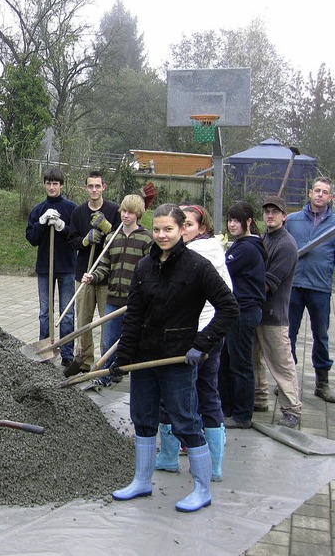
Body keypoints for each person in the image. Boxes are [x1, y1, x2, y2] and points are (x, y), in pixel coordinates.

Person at [106, 204, 238, 512]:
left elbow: (229, 307)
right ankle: (141, 481)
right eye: (157, 229)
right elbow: (134, 317)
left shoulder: (197, 266)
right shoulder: (144, 267)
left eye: (168, 229)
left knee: (185, 421)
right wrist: (122, 359)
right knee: (142, 417)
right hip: (144, 359)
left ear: (182, 230)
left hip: (178, 359)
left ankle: (203, 489)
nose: (162, 235)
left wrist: (202, 343)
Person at [155, 205, 232, 482]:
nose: (183, 229)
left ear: (201, 228)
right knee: (208, 393)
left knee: (173, 395)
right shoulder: (214, 250)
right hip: (212, 334)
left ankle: (169, 457)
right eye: (181, 223)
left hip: (194, 335)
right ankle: (214, 466)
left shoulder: (196, 256)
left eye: (188, 224)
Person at [81, 194, 152, 385]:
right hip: (113, 298)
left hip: (135, 302)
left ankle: (129, 373)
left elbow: (152, 271)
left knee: (133, 340)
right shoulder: (112, 238)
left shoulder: (147, 239)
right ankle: (105, 376)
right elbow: (105, 266)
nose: (125, 215)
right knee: (109, 341)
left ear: (138, 214)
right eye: (123, 211)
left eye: (130, 212)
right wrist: (93, 276)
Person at [253, 195, 302, 427]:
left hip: (274, 315)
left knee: (281, 364)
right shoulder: (265, 238)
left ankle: (292, 410)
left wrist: (244, 291)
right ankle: (259, 398)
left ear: (284, 216)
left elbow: (268, 283)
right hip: (257, 311)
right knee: (254, 360)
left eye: (275, 212)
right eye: (267, 211)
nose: (270, 215)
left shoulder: (286, 244)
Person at [286, 177, 335, 403]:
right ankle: (288, 381)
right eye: (317, 190)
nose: (320, 195)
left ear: (330, 197)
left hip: (320, 287)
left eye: (325, 192)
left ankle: (322, 383)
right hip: (293, 285)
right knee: (289, 334)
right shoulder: (293, 220)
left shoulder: (334, 225)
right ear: (309, 193)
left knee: (321, 336)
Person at [219, 202, 267, 429]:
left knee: (240, 364)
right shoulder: (243, 245)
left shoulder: (246, 248)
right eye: (230, 220)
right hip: (238, 311)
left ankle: (242, 415)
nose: (232, 224)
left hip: (244, 311)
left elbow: (221, 270)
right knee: (228, 361)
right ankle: (226, 408)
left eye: (237, 220)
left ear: (248, 221)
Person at [67, 171, 121, 372]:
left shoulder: (114, 211)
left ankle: (106, 361)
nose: (94, 190)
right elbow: (71, 241)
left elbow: (119, 239)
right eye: (90, 186)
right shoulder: (78, 212)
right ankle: (85, 359)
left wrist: (106, 227)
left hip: (107, 274)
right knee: (83, 320)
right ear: (85, 188)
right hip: (84, 273)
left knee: (107, 321)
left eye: (98, 186)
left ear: (104, 187)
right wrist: (85, 240)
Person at [25, 167, 77, 366]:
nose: (52, 187)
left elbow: (76, 238)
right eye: (49, 183)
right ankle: (45, 351)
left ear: (61, 185)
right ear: (45, 185)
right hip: (45, 268)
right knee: (45, 313)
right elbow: (32, 238)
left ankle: (67, 354)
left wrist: (63, 227)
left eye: (55, 183)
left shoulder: (72, 208)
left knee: (67, 313)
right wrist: (41, 222)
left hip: (66, 267)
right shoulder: (39, 209)